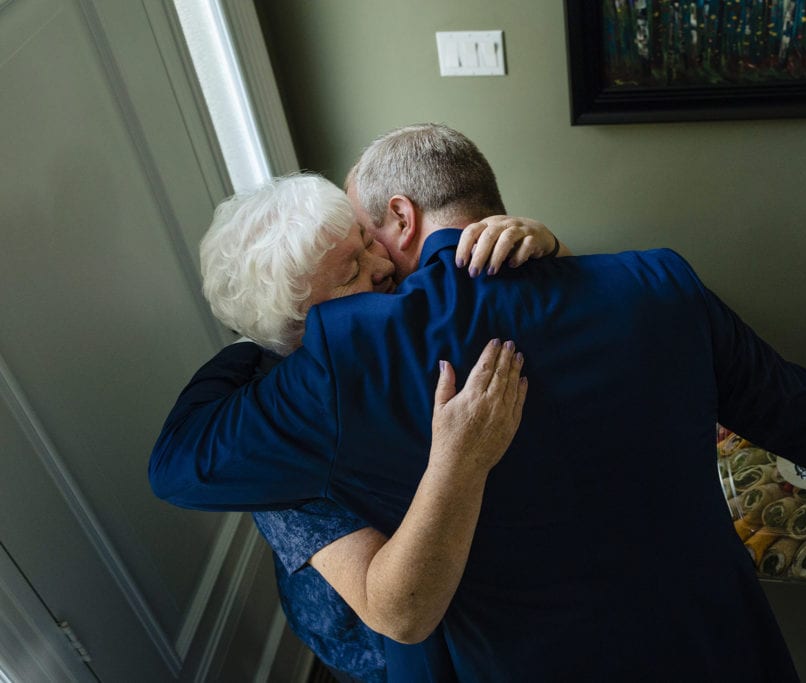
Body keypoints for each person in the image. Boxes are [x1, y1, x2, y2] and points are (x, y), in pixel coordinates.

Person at [151, 123, 806, 682]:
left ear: (401, 218)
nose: (375, 270)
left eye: (366, 241)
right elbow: (792, 402)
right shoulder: (658, 283)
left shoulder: (344, 359)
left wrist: (253, 344)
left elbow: (177, 461)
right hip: (716, 643)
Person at [184, 172, 562, 681]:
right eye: (350, 273)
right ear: (300, 327)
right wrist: (461, 459)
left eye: (366, 240)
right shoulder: (273, 432)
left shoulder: (393, 307)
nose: (385, 266)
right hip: (374, 645)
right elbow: (400, 614)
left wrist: (547, 245)